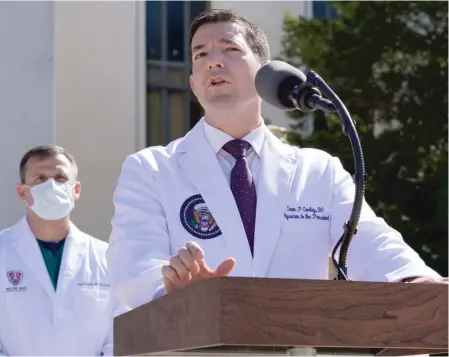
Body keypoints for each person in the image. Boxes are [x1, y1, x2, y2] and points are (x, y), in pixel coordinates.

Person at [107, 9, 446, 311]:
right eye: (200, 54)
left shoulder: (318, 171)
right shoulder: (150, 170)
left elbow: (370, 241)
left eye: (230, 49)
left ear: (264, 73)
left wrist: (414, 281)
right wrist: (175, 291)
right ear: (194, 84)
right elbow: (132, 267)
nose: (213, 61)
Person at [0, 145, 115, 356]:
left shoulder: (106, 257)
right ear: (22, 192)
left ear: (76, 190)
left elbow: (118, 333)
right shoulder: (3, 252)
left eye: (60, 178)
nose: (51, 186)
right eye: (40, 179)